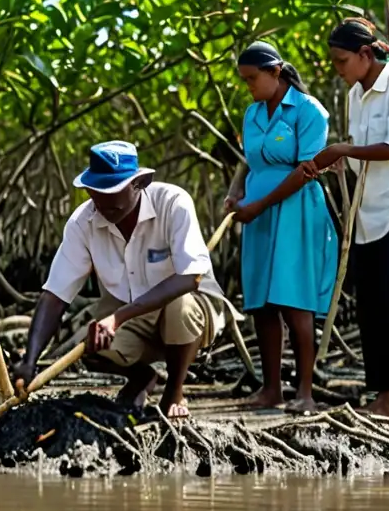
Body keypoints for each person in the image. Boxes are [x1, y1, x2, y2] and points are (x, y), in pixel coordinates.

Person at [13, 141, 230, 418]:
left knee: (180, 307)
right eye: (97, 193)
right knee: (89, 344)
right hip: (131, 317)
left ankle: (174, 390)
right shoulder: (83, 222)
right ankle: (141, 378)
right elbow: (55, 295)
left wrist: (118, 317)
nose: (105, 203)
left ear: (139, 183)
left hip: (190, 317)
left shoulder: (173, 202)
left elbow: (192, 277)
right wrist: (29, 360)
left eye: (114, 191)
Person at [305, 18, 389, 421]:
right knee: (373, 308)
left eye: (342, 60)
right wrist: (337, 162)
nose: (338, 69)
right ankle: (385, 395)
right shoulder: (355, 96)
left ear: (366, 54)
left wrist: (341, 148)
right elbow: (362, 152)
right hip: (365, 211)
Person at [225, 42, 337, 412]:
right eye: (243, 81)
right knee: (262, 303)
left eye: (253, 79)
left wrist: (259, 204)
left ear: (275, 72)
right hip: (257, 212)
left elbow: (307, 170)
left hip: (295, 210)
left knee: (294, 299)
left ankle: (304, 392)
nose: (249, 86)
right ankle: (270, 389)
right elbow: (249, 160)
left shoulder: (309, 112)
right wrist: (235, 193)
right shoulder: (252, 112)